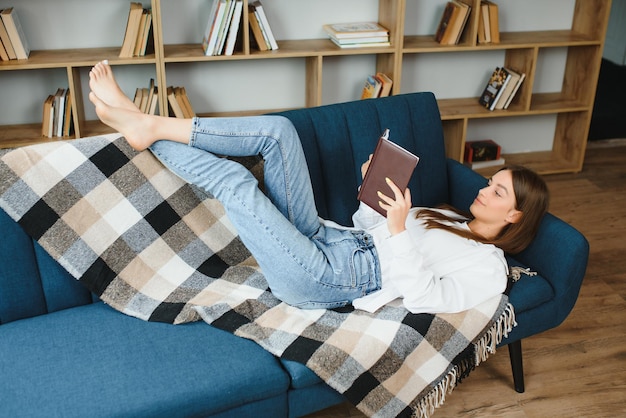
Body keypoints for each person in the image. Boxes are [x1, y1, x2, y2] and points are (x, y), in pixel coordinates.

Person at [88, 61, 550, 314]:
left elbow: (425, 296)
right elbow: (368, 226)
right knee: (279, 134)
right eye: (491, 182)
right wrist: (372, 192)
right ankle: (145, 123)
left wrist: (397, 230)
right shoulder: (447, 217)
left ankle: (141, 126)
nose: (485, 189)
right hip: (331, 239)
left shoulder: (487, 268)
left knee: (235, 181)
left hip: (328, 278)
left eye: (498, 192)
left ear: (515, 217)